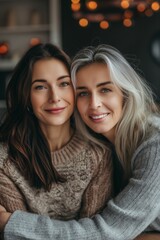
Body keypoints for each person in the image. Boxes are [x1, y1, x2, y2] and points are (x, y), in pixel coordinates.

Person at [0, 44, 160, 240]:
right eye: (83, 92)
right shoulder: (106, 144)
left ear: (125, 93)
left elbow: (108, 232)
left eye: (105, 89)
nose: (94, 104)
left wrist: (10, 224)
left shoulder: (153, 146)